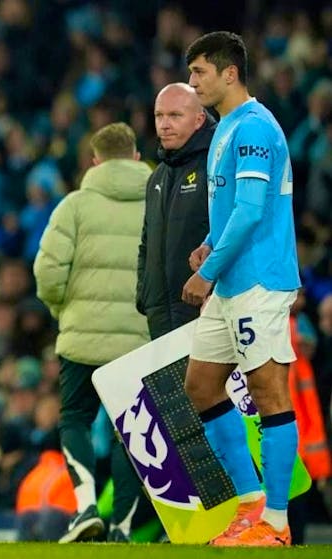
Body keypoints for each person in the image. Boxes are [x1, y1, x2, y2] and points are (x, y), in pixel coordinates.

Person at [182, 31, 301, 547]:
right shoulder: (226, 127)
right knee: (201, 387)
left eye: (198, 73)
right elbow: (234, 208)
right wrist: (210, 244)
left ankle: (276, 523)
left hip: (259, 280)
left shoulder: (253, 127)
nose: (192, 84)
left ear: (229, 73)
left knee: (269, 393)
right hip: (230, 279)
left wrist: (206, 272)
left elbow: (253, 211)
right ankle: (251, 507)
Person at [34, 123, 151, 543]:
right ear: (137, 158)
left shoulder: (74, 207)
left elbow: (47, 273)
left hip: (81, 339)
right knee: (131, 432)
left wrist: (63, 310)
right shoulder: (158, 204)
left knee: (76, 419)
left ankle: (85, 506)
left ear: (95, 161)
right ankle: (121, 527)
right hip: (139, 341)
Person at [137, 83, 214, 338]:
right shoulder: (156, 177)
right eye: (159, 115)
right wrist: (144, 295)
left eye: (175, 115)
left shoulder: (215, 165)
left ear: (199, 119)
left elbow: (229, 230)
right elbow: (146, 243)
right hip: (159, 311)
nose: (164, 124)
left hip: (203, 305)